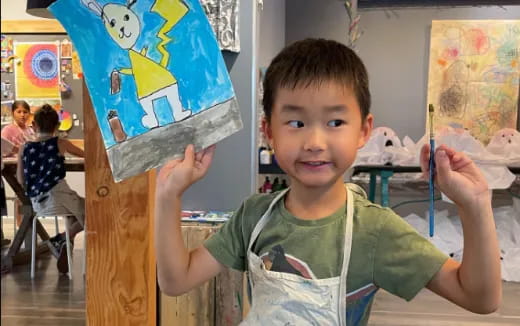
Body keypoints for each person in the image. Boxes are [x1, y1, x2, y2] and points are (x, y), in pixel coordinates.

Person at [154, 39, 501, 325]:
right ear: (269, 132)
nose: (315, 142)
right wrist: (169, 196)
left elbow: (479, 297)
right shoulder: (253, 216)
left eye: (335, 122)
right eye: (296, 123)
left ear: (363, 130)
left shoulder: (374, 230)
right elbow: (176, 280)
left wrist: (475, 206)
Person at [16, 104, 85, 274]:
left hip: (38, 204)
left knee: (71, 212)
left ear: (34, 126)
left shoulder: (24, 148)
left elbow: (20, 179)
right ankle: (63, 237)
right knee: (93, 210)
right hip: (59, 196)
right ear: (57, 127)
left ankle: (66, 242)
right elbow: (86, 155)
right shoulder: (60, 143)